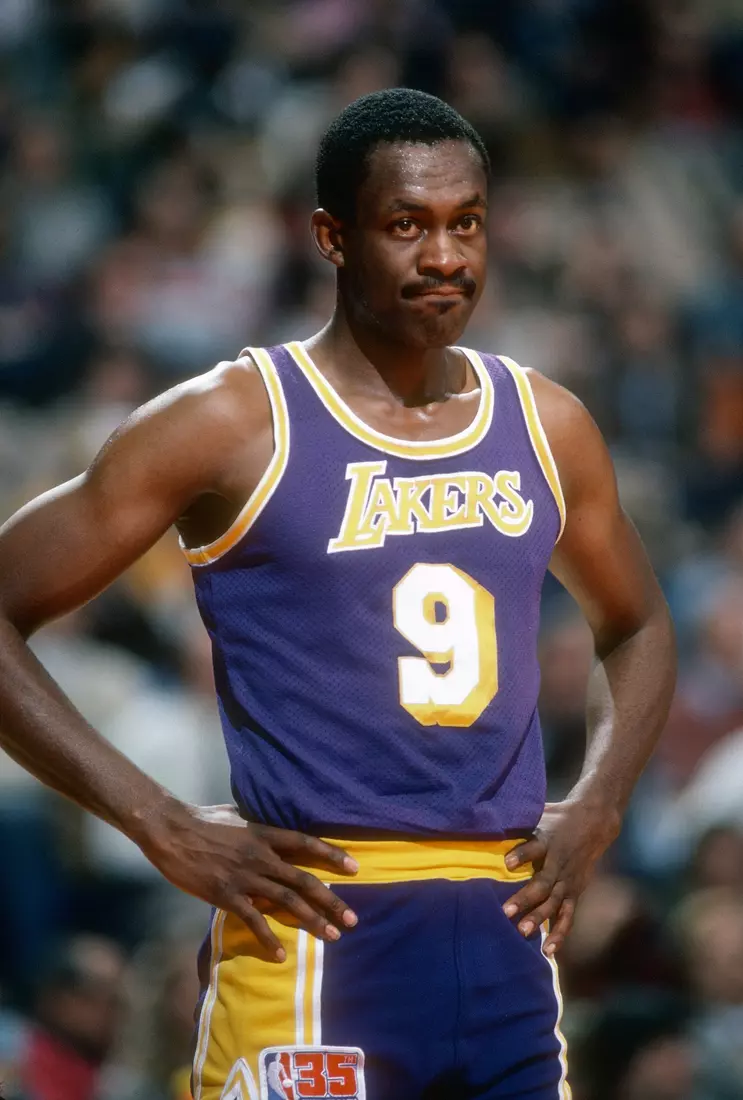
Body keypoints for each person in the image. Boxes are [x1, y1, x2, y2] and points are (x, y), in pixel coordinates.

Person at [0, 89, 676, 1100]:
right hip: (317, 929)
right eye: (405, 226)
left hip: (506, 936)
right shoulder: (230, 419)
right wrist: (155, 816)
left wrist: (597, 802)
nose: (443, 256)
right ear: (331, 235)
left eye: (465, 224)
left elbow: (638, 623)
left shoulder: (546, 421)